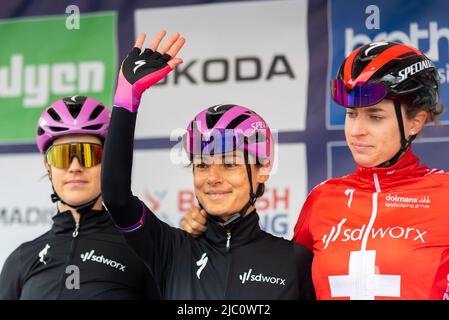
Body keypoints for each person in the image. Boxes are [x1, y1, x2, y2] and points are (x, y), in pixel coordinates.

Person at [180, 41, 449, 300]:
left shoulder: (444, 194)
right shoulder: (323, 199)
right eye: (351, 114)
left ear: (415, 121)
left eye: (375, 116)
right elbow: (282, 280)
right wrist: (212, 234)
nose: (357, 130)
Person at [101, 30, 315, 300]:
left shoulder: (295, 261)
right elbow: (116, 198)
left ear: (262, 170)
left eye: (229, 165)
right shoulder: (171, 249)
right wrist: (126, 99)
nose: (213, 177)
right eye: (202, 165)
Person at [0, 96, 160, 300]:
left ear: (107, 164)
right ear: (48, 167)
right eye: (63, 156)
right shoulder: (21, 259)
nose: (75, 167)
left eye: (89, 154)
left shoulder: (142, 252)